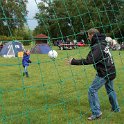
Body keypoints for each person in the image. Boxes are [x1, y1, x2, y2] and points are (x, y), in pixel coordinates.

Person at [69, 28, 120, 120]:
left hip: (105, 72)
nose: (88, 37)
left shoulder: (98, 45)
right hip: (111, 70)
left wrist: (73, 61)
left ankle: (96, 113)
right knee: (110, 90)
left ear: (92, 35)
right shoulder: (103, 43)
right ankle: (116, 108)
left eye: (88, 35)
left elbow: (90, 60)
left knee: (92, 90)